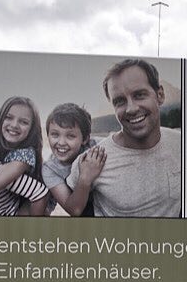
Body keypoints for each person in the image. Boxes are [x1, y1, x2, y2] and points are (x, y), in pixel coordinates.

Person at [67, 58, 181, 217]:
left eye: (139, 95)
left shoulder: (182, 145)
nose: (131, 109)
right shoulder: (91, 160)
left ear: (160, 95)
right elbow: (73, 211)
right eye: (119, 101)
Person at [40, 103, 105, 216]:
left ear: (85, 139)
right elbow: (74, 210)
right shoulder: (50, 169)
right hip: (84, 209)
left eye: (70, 136)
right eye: (55, 134)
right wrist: (85, 178)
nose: (61, 143)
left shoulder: (99, 146)